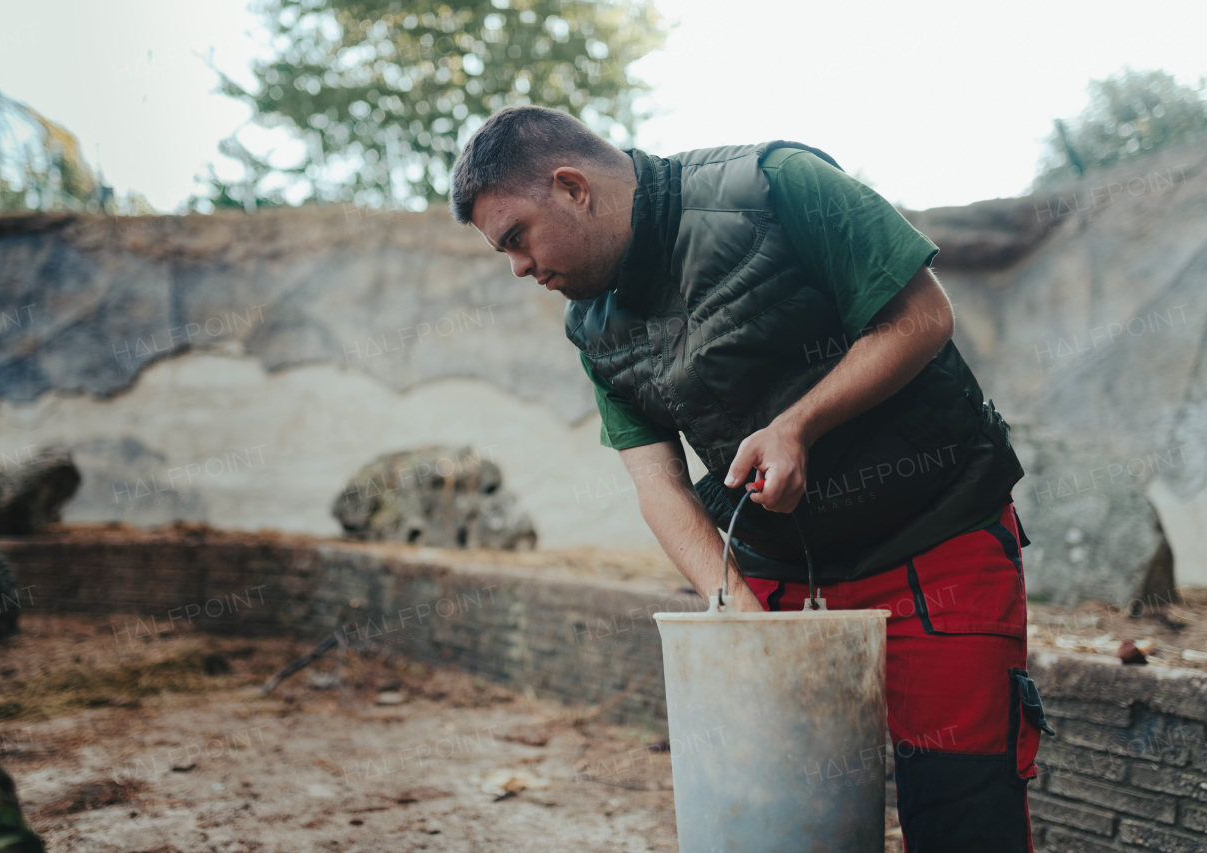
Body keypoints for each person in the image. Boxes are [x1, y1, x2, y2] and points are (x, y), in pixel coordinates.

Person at [449, 104, 1055, 852]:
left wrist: (800, 424)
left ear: (573, 187)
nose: (517, 268)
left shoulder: (776, 182)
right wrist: (733, 606)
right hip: (773, 572)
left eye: (516, 238)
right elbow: (656, 482)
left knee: (964, 813)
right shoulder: (590, 325)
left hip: (937, 537)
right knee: (776, 818)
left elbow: (923, 316)